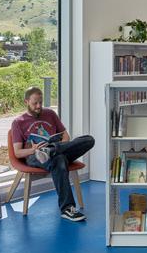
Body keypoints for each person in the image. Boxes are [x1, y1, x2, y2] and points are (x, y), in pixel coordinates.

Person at [9, 87, 94, 222]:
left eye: (40, 102)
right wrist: (33, 149)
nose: (38, 106)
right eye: (35, 103)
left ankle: (51, 149)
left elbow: (66, 137)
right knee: (59, 160)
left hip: (57, 150)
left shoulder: (50, 114)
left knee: (88, 140)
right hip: (35, 156)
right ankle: (68, 209)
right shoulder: (18, 122)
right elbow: (18, 153)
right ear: (26, 102)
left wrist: (57, 146)